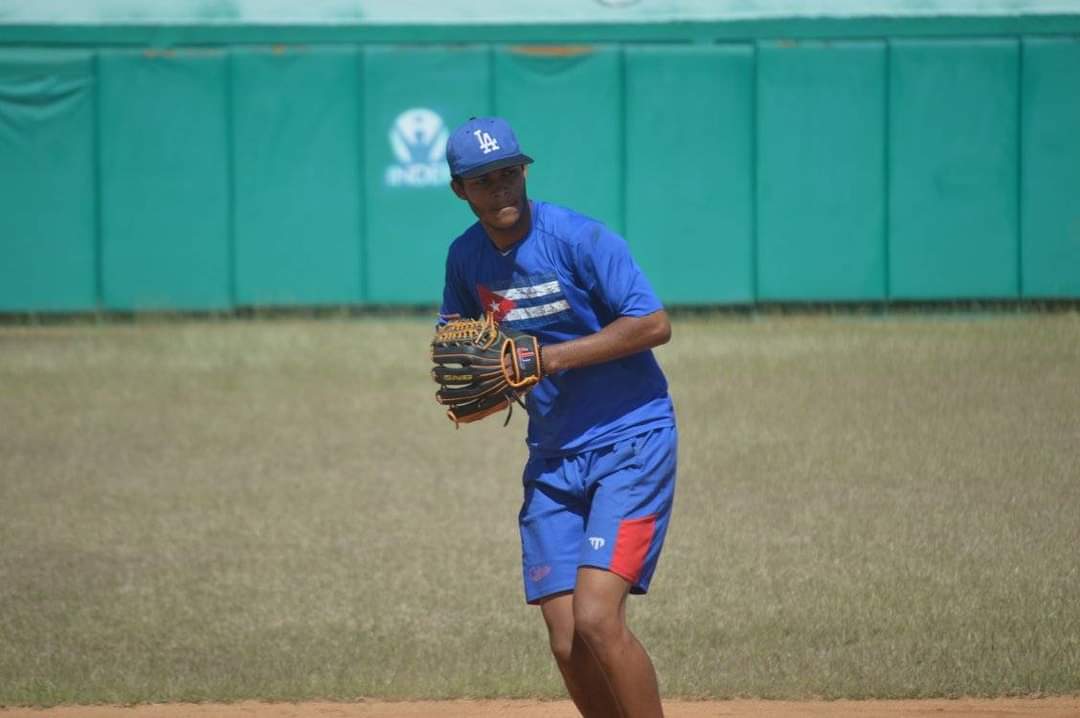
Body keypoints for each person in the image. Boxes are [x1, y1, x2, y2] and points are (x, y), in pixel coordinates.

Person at [439, 116, 677, 718]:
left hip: (631, 440)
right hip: (552, 459)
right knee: (568, 639)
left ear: (524, 172)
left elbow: (653, 324)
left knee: (599, 618)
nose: (502, 189)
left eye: (510, 173)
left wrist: (547, 358)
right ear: (459, 191)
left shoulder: (577, 239)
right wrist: (479, 380)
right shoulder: (465, 260)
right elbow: (459, 343)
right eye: (483, 180)